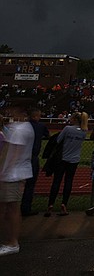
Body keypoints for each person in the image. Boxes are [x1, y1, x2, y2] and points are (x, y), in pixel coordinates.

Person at [0, 98, 35, 256]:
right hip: (15, 173)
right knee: (10, 209)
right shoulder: (23, 127)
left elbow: (12, 154)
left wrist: (3, 172)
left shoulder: (20, 129)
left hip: (13, 174)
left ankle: (12, 242)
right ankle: (10, 240)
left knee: (12, 209)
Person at [45, 111, 88, 216]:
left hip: (62, 158)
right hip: (74, 159)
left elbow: (58, 140)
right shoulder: (84, 131)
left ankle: (50, 205)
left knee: (56, 182)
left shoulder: (68, 129)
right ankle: (64, 204)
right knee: (68, 182)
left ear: (74, 119)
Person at [20, 108, 49, 217]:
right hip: (32, 158)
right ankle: (26, 208)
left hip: (21, 156)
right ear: (35, 116)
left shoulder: (23, 126)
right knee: (30, 185)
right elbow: (47, 135)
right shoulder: (40, 126)